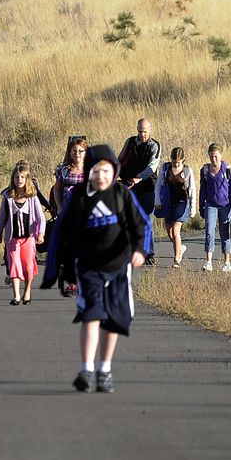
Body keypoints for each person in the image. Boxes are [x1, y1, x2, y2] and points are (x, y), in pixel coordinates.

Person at [56, 145, 147, 393]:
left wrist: (139, 250)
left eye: (106, 171)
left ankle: (104, 369)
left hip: (118, 267)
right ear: (88, 172)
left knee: (113, 321)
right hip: (89, 268)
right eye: (96, 171)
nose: (101, 176)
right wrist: (65, 267)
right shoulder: (79, 197)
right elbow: (67, 234)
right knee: (91, 315)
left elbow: (139, 225)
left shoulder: (121, 194)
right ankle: (86, 369)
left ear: (115, 171)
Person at [0, 161, 47, 306]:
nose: (19, 180)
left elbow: (41, 218)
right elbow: (1, 218)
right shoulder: (8, 198)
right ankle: (16, 295)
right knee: (14, 264)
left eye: (22, 177)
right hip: (12, 239)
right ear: (12, 180)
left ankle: (27, 291)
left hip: (28, 238)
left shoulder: (32, 198)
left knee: (28, 266)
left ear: (27, 180)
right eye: (16, 177)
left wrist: (40, 233)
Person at [117, 118, 161, 264]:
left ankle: (149, 253)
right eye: (140, 131)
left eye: (145, 132)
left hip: (148, 187)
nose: (142, 134)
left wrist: (139, 178)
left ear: (150, 130)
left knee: (146, 220)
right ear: (137, 129)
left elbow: (152, 167)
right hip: (130, 186)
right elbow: (120, 159)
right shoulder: (130, 142)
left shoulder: (155, 146)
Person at [50, 137, 89, 297]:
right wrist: (59, 208)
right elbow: (56, 189)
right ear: (70, 153)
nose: (77, 154)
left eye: (81, 151)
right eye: (74, 151)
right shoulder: (64, 170)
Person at [198, 143, 231, 273]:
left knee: (224, 233)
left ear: (221, 156)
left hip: (226, 205)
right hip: (210, 204)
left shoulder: (227, 170)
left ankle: (227, 262)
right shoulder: (205, 170)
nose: (213, 159)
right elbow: (202, 189)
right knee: (209, 231)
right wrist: (201, 206)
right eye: (211, 156)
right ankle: (209, 261)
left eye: (216, 156)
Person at [153, 147, 196, 268]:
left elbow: (192, 189)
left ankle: (177, 259)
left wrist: (192, 208)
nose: (176, 164)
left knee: (175, 231)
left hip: (181, 203)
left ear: (183, 160)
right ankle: (180, 248)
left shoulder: (187, 171)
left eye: (178, 162)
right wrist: (157, 200)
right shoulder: (165, 168)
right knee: (169, 233)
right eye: (173, 162)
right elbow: (159, 184)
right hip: (168, 202)